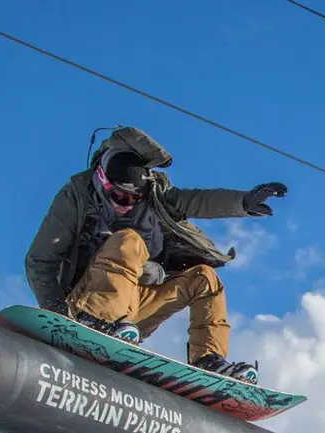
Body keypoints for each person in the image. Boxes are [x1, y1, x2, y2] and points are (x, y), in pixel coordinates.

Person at [24, 126, 287, 383]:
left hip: (133, 309)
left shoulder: (156, 197)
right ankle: (98, 326)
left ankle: (208, 360)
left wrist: (243, 203)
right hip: (87, 307)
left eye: (133, 199)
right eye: (118, 197)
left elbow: (197, 200)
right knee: (128, 240)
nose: (126, 205)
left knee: (205, 278)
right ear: (102, 181)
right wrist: (59, 316)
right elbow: (39, 261)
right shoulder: (76, 198)